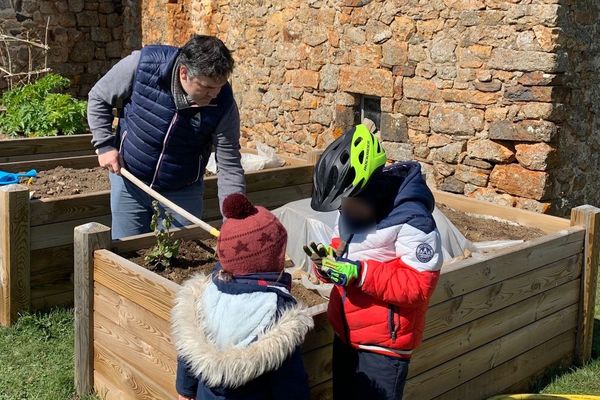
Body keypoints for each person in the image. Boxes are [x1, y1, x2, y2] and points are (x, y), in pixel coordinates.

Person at [305, 124, 443, 400]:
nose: (342, 210)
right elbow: (339, 250)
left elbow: (418, 286)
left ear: (369, 189)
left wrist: (358, 274)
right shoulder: (350, 209)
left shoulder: (413, 219)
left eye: (346, 201)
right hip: (346, 332)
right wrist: (325, 266)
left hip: (384, 345)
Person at [87, 35, 245, 239]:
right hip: (130, 181)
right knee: (126, 255)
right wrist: (104, 145)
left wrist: (234, 220)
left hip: (182, 191)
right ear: (183, 72)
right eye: (206, 87)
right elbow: (99, 97)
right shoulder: (143, 64)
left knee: (181, 257)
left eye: (220, 86)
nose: (214, 94)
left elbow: (229, 164)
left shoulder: (223, 104)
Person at [171, 193, 313, 400]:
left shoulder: (203, 294)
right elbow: (288, 379)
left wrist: (185, 389)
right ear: (274, 258)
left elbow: (189, 351)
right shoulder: (277, 309)